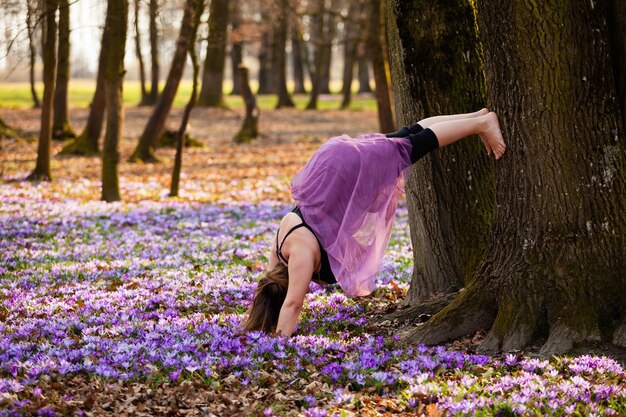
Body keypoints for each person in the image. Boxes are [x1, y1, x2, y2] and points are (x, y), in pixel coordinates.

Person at [242, 109, 506, 337]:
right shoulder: (277, 259)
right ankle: (476, 117)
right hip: (333, 164)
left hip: (347, 173)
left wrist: (279, 344)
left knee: (412, 148)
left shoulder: (298, 258)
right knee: (407, 137)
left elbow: (292, 305)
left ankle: (480, 124)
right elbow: (277, 296)